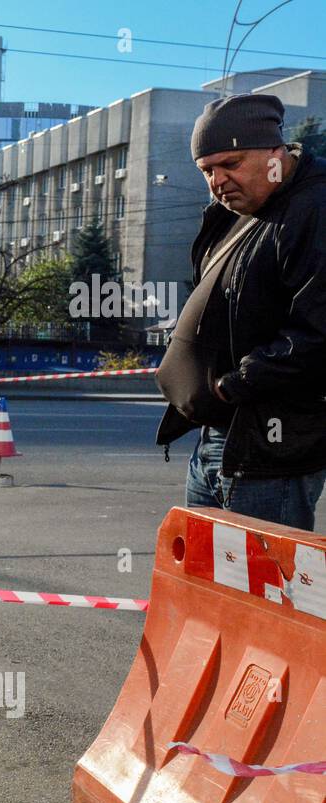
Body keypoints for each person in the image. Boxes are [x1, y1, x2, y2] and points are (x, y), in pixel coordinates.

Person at [156, 93, 326, 531]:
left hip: (270, 450)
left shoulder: (315, 211)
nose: (218, 180)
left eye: (230, 164)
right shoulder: (236, 213)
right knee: (209, 588)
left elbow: (316, 336)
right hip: (216, 438)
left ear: (275, 153)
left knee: (266, 590)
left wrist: (230, 387)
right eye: (206, 171)